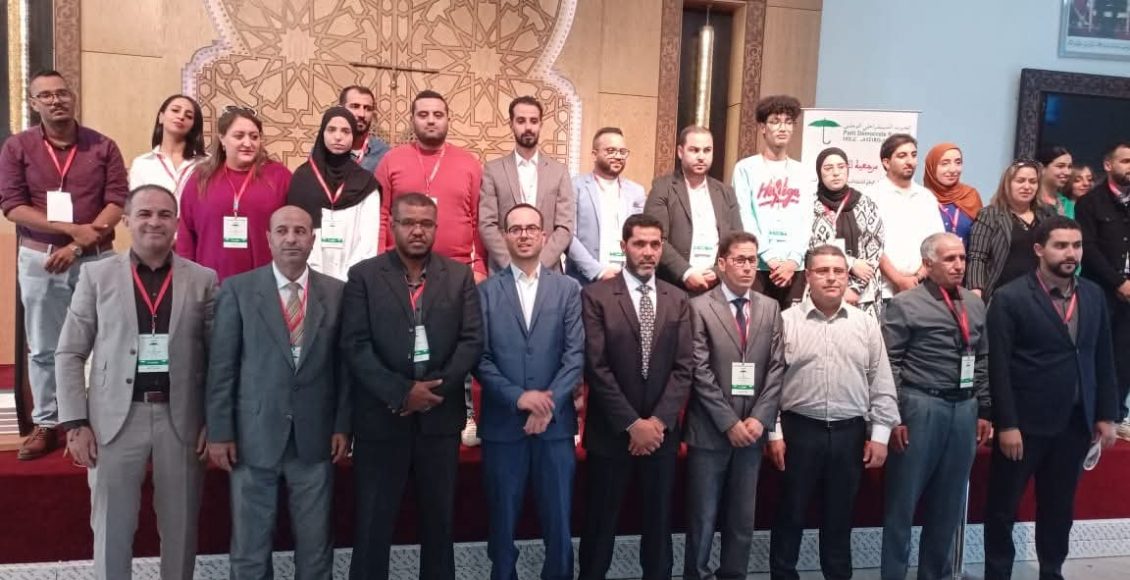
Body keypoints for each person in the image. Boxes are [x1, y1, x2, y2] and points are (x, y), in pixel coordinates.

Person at [55, 185, 217, 580]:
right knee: (111, 529)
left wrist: (215, 419)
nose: (154, 222)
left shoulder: (203, 279)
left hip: (182, 420)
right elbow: (69, 352)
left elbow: (220, 360)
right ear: (127, 220)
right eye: (144, 213)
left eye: (164, 214)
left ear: (177, 223)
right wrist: (75, 423)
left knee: (180, 530)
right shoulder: (96, 275)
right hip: (113, 421)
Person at [342, 193, 483, 580]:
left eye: (425, 223)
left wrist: (433, 391)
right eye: (409, 222)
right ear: (393, 226)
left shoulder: (458, 276)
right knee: (372, 527)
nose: (417, 230)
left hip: (439, 422)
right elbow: (355, 344)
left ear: (436, 228)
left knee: (439, 527)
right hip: (381, 421)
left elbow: (471, 341)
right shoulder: (364, 276)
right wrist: (402, 392)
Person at [205, 205, 350, 580]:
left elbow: (344, 369)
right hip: (253, 438)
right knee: (250, 549)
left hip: (315, 438)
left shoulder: (337, 293)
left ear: (312, 239)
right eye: (282, 231)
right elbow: (222, 368)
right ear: (268, 239)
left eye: (300, 231)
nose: (291, 239)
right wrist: (220, 432)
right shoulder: (237, 290)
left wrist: (342, 425)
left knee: (316, 549)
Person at [0, 69, 128, 460]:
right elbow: (13, 206)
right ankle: (47, 422)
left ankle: (100, 418)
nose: (56, 100)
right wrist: (71, 230)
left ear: (72, 97)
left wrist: (76, 245)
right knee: (44, 346)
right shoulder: (17, 147)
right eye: (46, 95)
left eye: (62, 93)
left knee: (106, 342)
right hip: (41, 259)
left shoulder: (102, 146)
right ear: (33, 103)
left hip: (97, 259)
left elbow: (117, 200)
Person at [983, 216, 1119, 580]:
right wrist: (1006, 423)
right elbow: (998, 366)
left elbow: (1102, 357)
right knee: (1002, 509)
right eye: (1061, 245)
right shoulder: (1010, 297)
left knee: (1059, 509)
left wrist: (1106, 413)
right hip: (1023, 426)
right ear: (1039, 250)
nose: (1071, 253)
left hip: (1074, 423)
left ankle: (1052, 571)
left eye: (1076, 245)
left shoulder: (1093, 295)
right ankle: (997, 573)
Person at [766, 245, 900, 580]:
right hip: (799, 431)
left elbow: (881, 381)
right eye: (822, 271)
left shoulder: (865, 324)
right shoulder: (784, 322)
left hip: (849, 434)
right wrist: (774, 432)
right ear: (808, 276)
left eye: (838, 271)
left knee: (840, 519)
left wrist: (880, 435)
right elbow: (769, 384)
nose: (831, 278)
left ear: (846, 277)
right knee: (789, 515)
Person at [578, 213, 694, 580]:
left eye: (655, 244)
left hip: (660, 435)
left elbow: (684, 368)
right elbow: (596, 366)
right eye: (639, 244)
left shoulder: (678, 298)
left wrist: (656, 423)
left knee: (658, 527)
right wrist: (632, 424)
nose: (648, 252)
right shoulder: (596, 296)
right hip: (611, 432)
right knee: (600, 525)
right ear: (623, 246)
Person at [475, 203, 584, 580]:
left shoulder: (568, 290)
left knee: (559, 522)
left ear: (544, 235)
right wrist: (519, 398)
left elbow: (575, 354)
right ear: (505, 236)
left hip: (555, 428)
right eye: (516, 228)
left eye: (531, 228)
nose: (524, 235)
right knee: (502, 523)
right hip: (504, 426)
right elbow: (480, 357)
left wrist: (546, 405)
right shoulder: (486, 292)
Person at [880, 232, 993, 580]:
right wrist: (894, 417)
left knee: (949, 502)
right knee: (902, 502)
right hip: (921, 405)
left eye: (962, 258)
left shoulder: (975, 304)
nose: (959, 265)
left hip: (964, 408)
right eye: (950, 259)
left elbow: (982, 358)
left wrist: (984, 409)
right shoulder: (904, 304)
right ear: (928, 264)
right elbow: (889, 364)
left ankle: (935, 574)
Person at [682, 231, 784, 580]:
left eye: (752, 260)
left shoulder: (770, 307)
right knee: (702, 518)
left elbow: (776, 367)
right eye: (740, 260)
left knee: (742, 518)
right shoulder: (698, 307)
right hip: (710, 431)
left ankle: (734, 575)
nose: (747, 267)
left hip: (752, 432)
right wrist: (729, 422)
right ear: (722, 263)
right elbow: (699, 370)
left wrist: (759, 419)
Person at [376, 90, 487, 282]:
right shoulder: (391, 160)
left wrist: (479, 267)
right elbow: (380, 215)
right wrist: (379, 262)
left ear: (448, 120)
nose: (431, 121)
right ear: (412, 120)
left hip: (457, 270)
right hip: (399, 269)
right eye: (423, 115)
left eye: (438, 115)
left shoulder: (469, 163)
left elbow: (479, 219)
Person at [177, 107, 291, 282]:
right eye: (239, 136)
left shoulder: (279, 177)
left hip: (265, 285)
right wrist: (186, 281)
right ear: (222, 139)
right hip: (212, 286)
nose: (248, 143)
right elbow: (186, 236)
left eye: (254, 137)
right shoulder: (200, 179)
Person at [479, 96, 575, 273]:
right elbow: (487, 224)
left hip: (547, 271)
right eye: (521, 121)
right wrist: (513, 266)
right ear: (511, 124)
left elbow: (565, 226)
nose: (528, 127)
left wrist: (538, 266)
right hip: (504, 271)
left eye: (534, 121)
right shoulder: (493, 170)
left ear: (541, 125)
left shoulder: (559, 171)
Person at [732, 95, 811, 308]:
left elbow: (806, 220)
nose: (782, 128)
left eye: (788, 122)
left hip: (793, 267)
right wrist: (770, 257)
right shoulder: (745, 168)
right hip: (757, 265)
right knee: (757, 323)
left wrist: (793, 261)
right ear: (762, 127)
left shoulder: (803, 172)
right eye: (775, 121)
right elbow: (744, 215)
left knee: (792, 325)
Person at [644, 125, 743, 293]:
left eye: (707, 150)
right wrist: (686, 273)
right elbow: (655, 238)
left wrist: (718, 271)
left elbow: (737, 239)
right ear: (680, 152)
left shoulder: (726, 193)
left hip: (716, 286)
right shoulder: (662, 188)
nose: (701, 157)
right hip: (674, 285)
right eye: (694, 150)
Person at [287, 107, 382, 280]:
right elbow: (294, 234)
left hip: (352, 280)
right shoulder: (302, 179)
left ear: (353, 136)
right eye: (331, 130)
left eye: (345, 131)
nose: (338, 137)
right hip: (308, 279)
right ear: (322, 133)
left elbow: (368, 242)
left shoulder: (366, 183)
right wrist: (314, 278)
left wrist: (349, 279)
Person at [1076, 141, 1130, 436]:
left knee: (1125, 355)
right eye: (1126, 161)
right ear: (1109, 165)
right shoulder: (1090, 203)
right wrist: (1118, 282)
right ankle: (1092, 412)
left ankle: (1117, 414)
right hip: (1101, 290)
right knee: (1097, 353)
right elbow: (1089, 248)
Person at [808, 147, 885, 317]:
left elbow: (875, 247)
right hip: (824, 290)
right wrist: (850, 263)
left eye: (841, 167)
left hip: (864, 294)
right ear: (819, 172)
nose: (836, 173)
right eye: (828, 168)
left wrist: (855, 288)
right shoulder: (811, 207)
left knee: (862, 333)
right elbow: (813, 247)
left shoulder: (866, 204)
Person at [966, 159, 1056, 301]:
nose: (1027, 186)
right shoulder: (990, 215)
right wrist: (976, 292)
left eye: (1033, 182)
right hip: (1001, 295)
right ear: (1007, 184)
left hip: (1040, 295)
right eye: (1020, 181)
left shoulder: (1048, 214)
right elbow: (977, 257)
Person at [566, 126, 646, 284]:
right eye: (611, 151)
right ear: (594, 155)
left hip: (626, 280)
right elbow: (568, 236)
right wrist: (598, 271)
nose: (618, 156)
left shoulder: (636, 191)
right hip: (585, 280)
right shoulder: (575, 186)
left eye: (622, 152)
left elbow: (640, 236)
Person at [871, 134, 945, 302]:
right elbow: (871, 244)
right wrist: (898, 280)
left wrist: (918, 277)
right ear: (886, 162)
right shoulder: (872, 196)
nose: (910, 161)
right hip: (883, 292)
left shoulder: (926, 197)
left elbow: (936, 243)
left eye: (913, 155)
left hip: (922, 289)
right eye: (902, 156)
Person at [128, 94, 207, 200]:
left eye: (189, 116)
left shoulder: (207, 163)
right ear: (161, 117)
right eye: (175, 110)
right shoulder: (142, 164)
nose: (181, 117)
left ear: (194, 125)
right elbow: (138, 205)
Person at [923, 142, 982, 248]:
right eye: (945, 164)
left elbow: (981, 238)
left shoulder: (970, 196)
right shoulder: (922, 198)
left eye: (958, 163)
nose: (953, 170)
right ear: (932, 167)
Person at [338, 85, 390, 172]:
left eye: (368, 109)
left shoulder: (384, 154)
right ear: (340, 110)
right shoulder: (325, 150)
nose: (362, 114)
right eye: (355, 106)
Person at [1037, 145, 1075, 216]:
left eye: (1069, 167)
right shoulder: (1028, 200)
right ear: (1042, 168)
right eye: (1060, 166)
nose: (1067, 172)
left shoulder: (1067, 205)